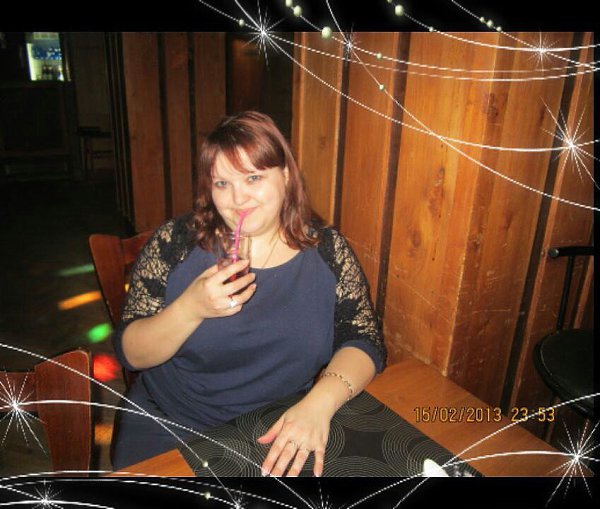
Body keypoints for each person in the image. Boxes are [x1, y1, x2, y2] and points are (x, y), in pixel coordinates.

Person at [112, 111, 387, 476]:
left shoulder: (328, 251)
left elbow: (364, 339)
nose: (237, 198)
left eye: (253, 177)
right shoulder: (175, 243)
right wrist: (190, 308)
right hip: (171, 425)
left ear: (286, 176)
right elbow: (131, 354)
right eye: (222, 183)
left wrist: (320, 401)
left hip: (281, 427)